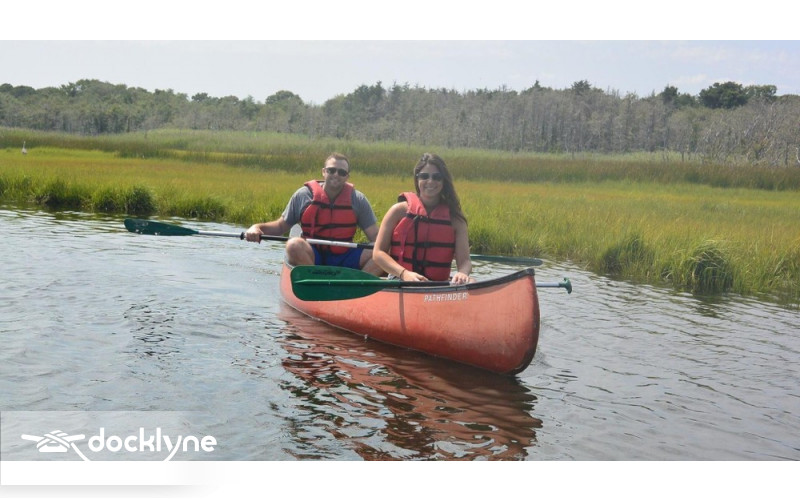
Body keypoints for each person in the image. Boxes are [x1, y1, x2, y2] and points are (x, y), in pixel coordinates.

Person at [244, 152, 382, 275]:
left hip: (345, 256)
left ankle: (355, 286)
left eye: (341, 172)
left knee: (383, 251)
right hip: (312, 255)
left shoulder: (358, 200)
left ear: (347, 177)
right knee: (293, 245)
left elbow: (375, 237)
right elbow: (280, 227)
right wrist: (256, 228)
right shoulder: (303, 196)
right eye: (331, 170)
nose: (336, 175)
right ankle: (314, 280)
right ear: (323, 172)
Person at [373, 153, 473, 285]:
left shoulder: (456, 220)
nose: (430, 181)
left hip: (439, 285)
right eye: (424, 176)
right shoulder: (397, 211)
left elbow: (465, 261)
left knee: (472, 281)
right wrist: (404, 273)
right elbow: (378, 253)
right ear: (417, 179)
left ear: (444, 181)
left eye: (437, 177)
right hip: (400, 280)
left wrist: (463, 273)